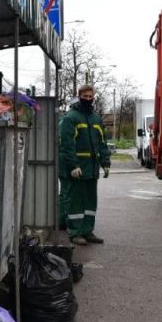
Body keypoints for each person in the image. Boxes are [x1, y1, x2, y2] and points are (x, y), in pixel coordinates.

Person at [58, 84, 110, 245]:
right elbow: (67, 145)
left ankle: (88, 231)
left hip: (91, 169)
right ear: (79, 96)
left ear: (93, 97)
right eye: (85, 96)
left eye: (90, 96)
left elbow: (102, 143)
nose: (88, 99)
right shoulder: (71, 118)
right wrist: (73, 166)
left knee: (90, 202)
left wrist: (105, 162)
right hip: (77, 169)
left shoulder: (96, 118)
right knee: (76, 202)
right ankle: (75, 232)